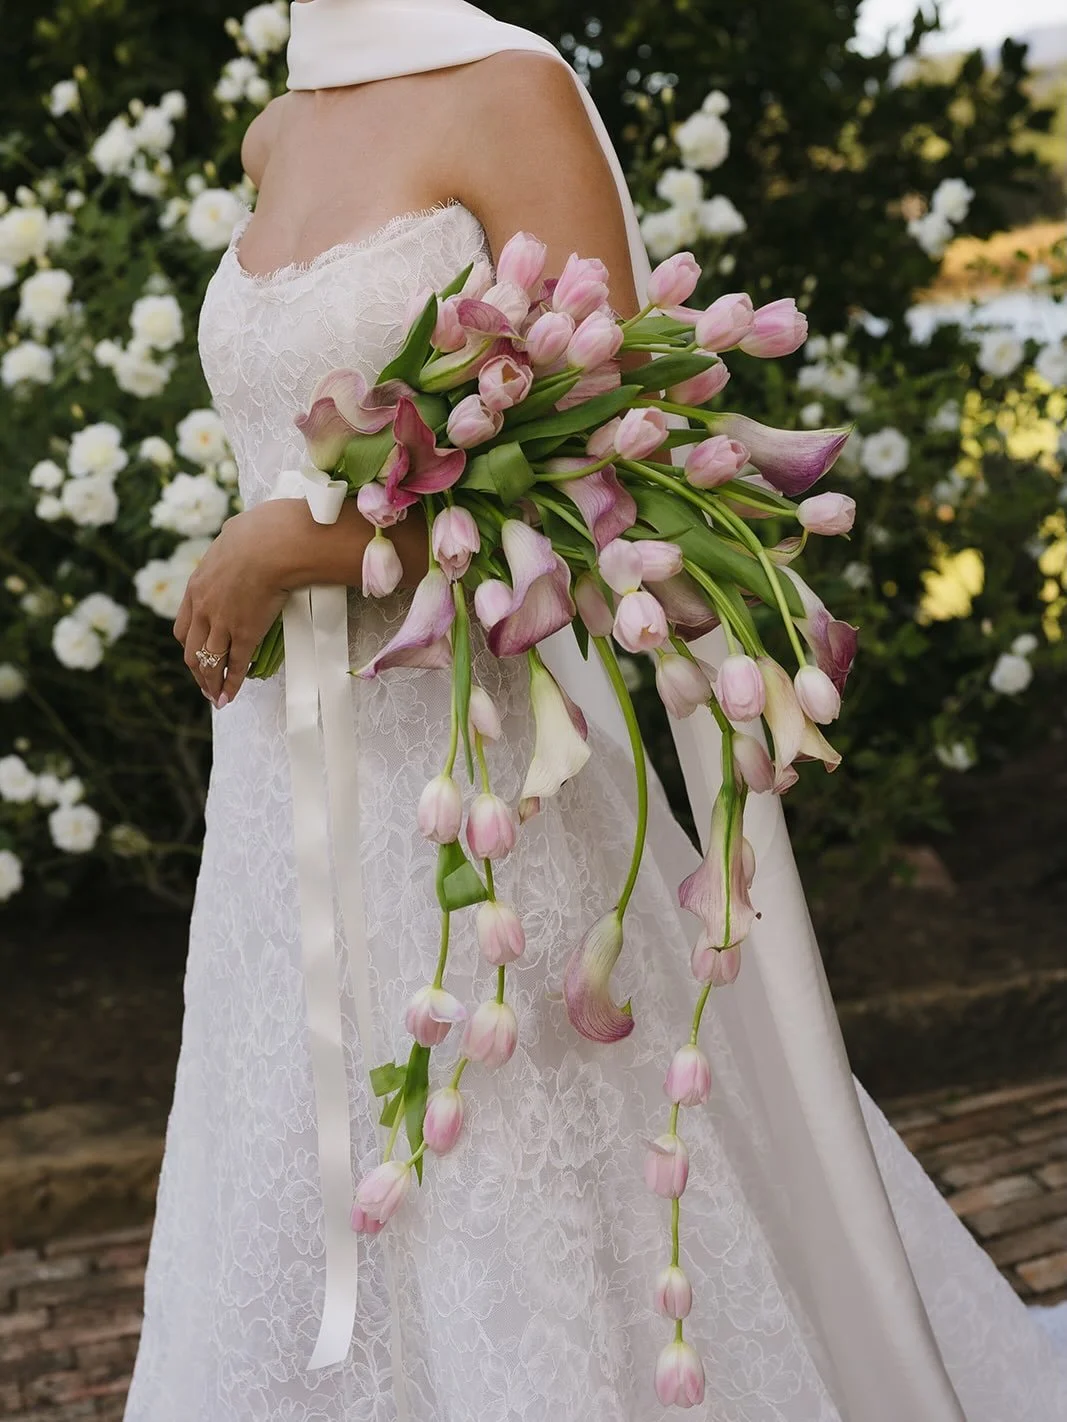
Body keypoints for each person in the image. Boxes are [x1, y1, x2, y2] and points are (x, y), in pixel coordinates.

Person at [123, 2, 1067, 1418]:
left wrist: (293, 549)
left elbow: (608, 483)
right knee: (281, 1172)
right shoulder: (280, 125)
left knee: (511, 1172)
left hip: (482, 773)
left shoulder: (510, 90)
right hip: (278, 788)